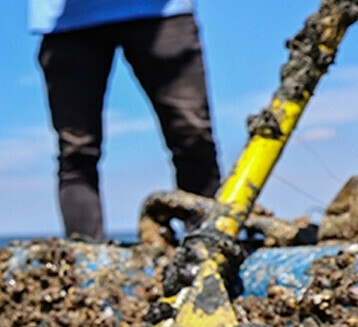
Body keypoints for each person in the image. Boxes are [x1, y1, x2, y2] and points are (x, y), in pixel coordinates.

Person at [30, 0, 221, 241]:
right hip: (67, 23)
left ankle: (209, 246)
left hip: (162, 13)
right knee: (76, 154)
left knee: (193, 138)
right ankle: (86, 263)